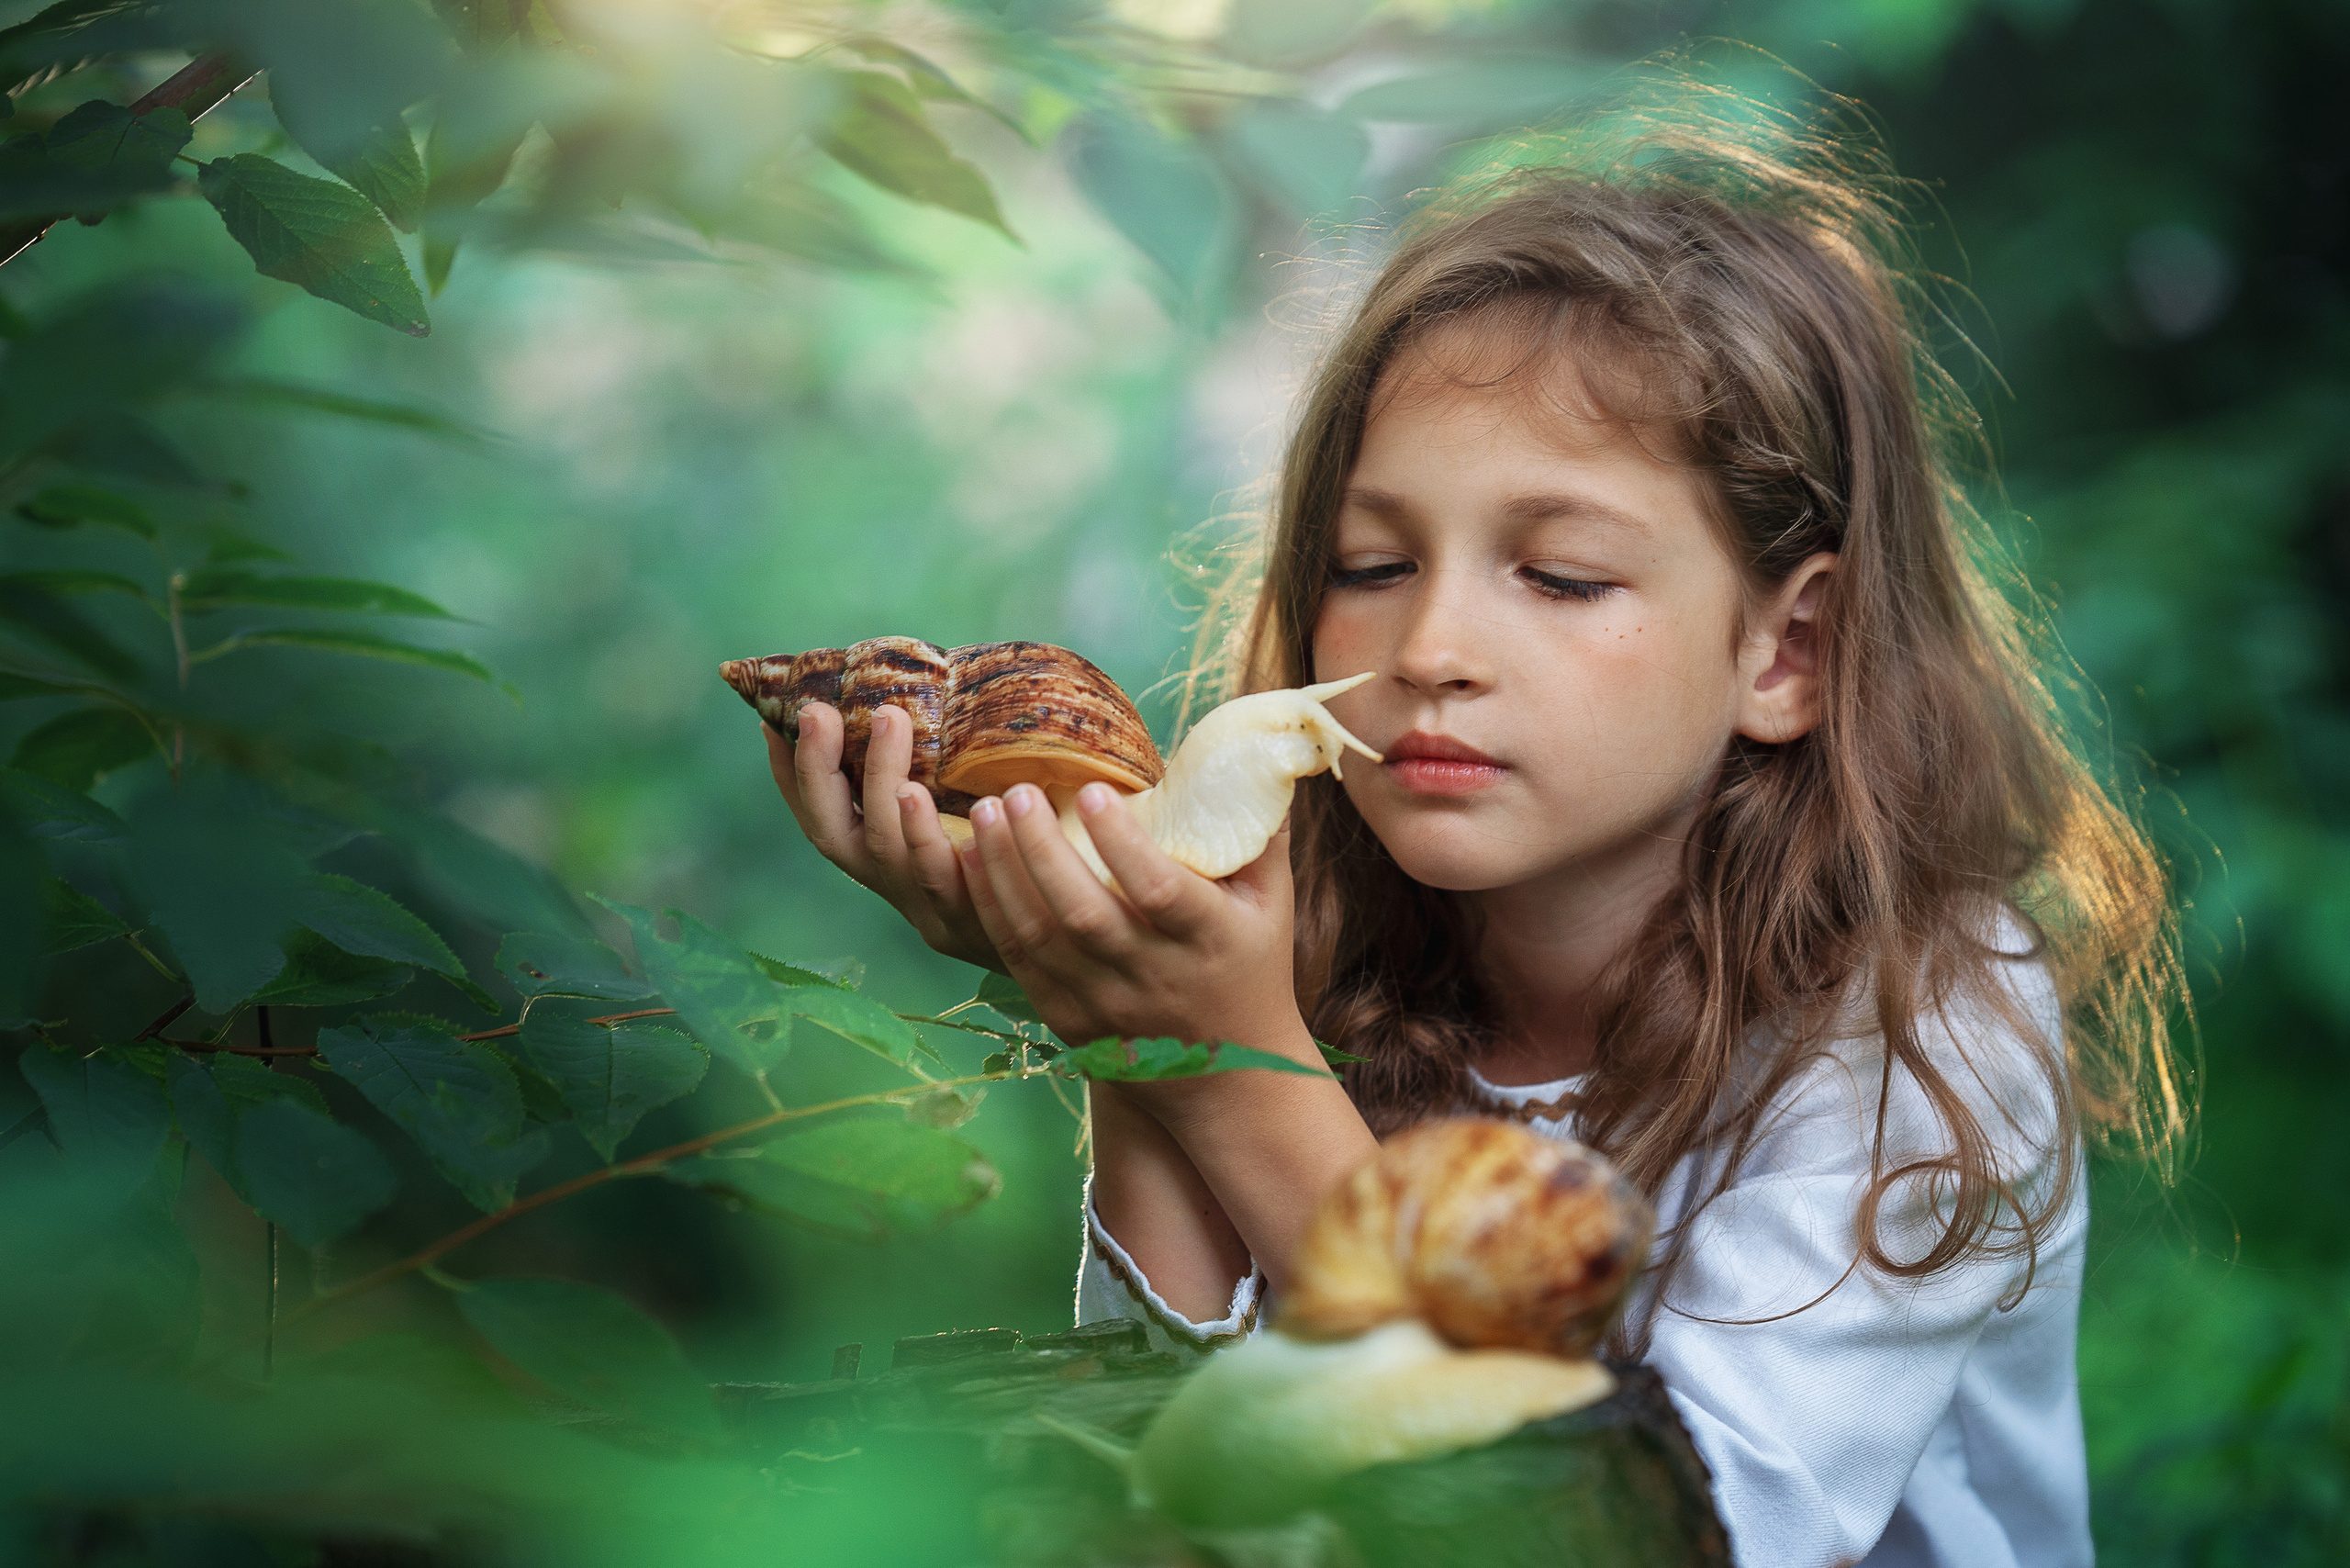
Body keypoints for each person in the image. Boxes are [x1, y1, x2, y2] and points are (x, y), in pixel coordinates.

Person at [761, 88, 2186, 1568]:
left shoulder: (1920, 1020)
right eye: (1372, 562)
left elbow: (1632, 1539)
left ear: (1789, 653)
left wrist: (1237, 1063)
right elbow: (1173, 1470)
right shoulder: (1316, 931)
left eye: (1560, 575)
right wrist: (1130, 1020)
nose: (1430, 641)